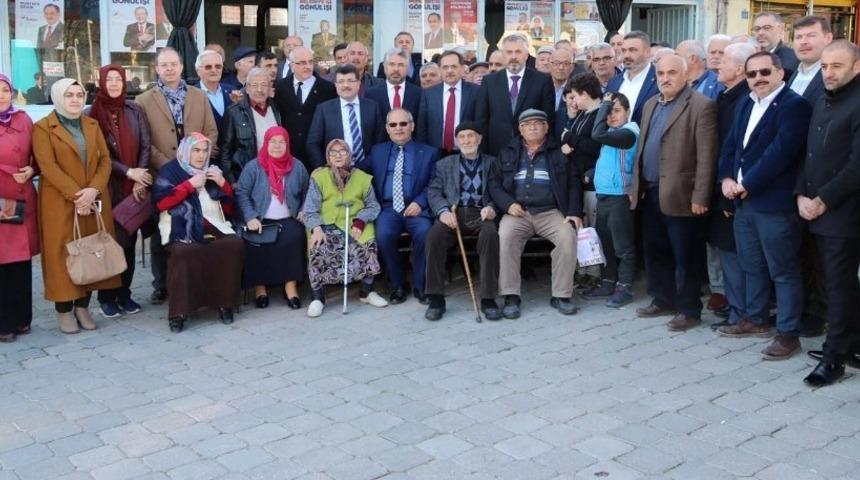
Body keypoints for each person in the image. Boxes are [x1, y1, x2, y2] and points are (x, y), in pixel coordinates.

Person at [718, 51, 811, 359]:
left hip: (774, 204)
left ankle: (787, 334)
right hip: (743, 202)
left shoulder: (794, 106)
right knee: (752, 265)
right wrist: (726, 178)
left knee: (782, 270)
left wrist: (748, 183)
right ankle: (756, 319)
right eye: (751, 74)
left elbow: (781, 152)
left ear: (780, 73)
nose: (757, 78)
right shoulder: (746, 102)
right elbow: (731, 145)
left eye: (764, 72)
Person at [630, 54, 718, 332]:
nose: (665, 78)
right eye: (660, 74)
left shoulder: (701, 106)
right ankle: (663, 298)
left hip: (683, 194)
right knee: (655, 251)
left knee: (686, 256)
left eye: (671, 73)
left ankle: (689, 309)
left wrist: (701, 197)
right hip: (651, 191)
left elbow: (707, 156)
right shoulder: (650, 104)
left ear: (685, 75)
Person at [33, 78, 120, 334]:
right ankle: (64, 310)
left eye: (79, 94)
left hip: (93, 199)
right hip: (60, 201)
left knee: (91, 250)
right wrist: (78, 195)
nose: (75, 99)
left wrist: (93, 190)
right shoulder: (43, 128)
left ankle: (83, 305)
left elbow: (105, 160)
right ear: (58, 97)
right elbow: (47, 167)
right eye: (69, 94)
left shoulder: (91, 124)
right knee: (63, 254)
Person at [797, 41, 860, 385]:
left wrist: (823, 199)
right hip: (814, 208)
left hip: (844, 212)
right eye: (824, 66)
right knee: (839, 283)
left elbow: (856, 166)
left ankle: (834, 358)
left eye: (837, 66)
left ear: (856, 67)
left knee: (838, 285)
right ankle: (851, 343)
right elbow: (808, 154)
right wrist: (799, 195)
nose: (829, 73)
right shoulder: (822, 99)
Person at [136, 47, 218, 304]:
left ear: (182, 67)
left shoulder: (198, 96)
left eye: (174, 64)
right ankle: (161, 284)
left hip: (199, 172)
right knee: (163, 230)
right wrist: (173, 166)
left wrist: (199, 160)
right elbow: (144, 142)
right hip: (164, 173)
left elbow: (211, 132)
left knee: (197, 223)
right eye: (164, 65)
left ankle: (196, 280)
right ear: (157, 69)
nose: (169, 69)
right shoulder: (143, 100)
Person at [489, 108, 581, 318]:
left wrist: (574, 212)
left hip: (550, 211)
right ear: (520, 129)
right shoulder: (508, 151)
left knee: (567, 237)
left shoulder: (558, 151)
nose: (533, 127)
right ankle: (511, 295)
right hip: (517, 212)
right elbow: (494, 184)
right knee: (506, 237)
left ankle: (561, 295)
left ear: (546, 127)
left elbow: (573, 182)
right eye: (527, 124)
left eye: (538, 123)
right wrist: (508, 204)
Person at [152, 133, 242, 332]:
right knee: (184, 251)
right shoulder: (170, 171)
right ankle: (179, 312)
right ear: (185, 151)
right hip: (180, 225)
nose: (201, 156)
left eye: (204, 151)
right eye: (196, 150)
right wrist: (188, 186)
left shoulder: (211, 171)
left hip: (212, 224)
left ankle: (224, 303)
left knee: (232, 244)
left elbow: (229, 210)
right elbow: (160, 203)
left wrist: (222, 184)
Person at [84, 65, 151, 319]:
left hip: (133, 187)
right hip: (108, 187)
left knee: (129, 241)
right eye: (108, 79)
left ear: (124, 83)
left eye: (118, 79)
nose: (113, 84)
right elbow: (100, 155)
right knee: (110, 243)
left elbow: (146, 144)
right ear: (101, 82)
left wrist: (140, 177)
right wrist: (128, 172)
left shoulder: (134, 110)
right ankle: (107, 296)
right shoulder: (92, 114)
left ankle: (125, 293)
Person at [424, 122, 501, 321]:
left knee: (491, 236)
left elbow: (500, 190)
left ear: (480, 139)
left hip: (481, 213)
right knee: (434, 237)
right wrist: (442, 211)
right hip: (453, 212)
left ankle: (488, 298)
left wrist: (492, 207)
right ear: (457, 141)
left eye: (471, 136)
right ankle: (435, 298)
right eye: (462, 137)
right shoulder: (444, 164)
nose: (467, 140)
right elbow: (433, 191)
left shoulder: (492, 163)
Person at [303, 139, 389, 317]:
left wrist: (361, 220)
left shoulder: (363, 178)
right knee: (318, 245)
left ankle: (367, 291)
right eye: (333, 152)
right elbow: (310, 209)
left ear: (349, 154)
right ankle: (318, 297)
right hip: (326, 223)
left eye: (342, 151)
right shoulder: (319, 177)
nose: (337, 155)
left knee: (368, 241)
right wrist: (316, 227)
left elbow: (373, 206)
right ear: (327, 156)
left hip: (355, 222)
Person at [361, 108, 439, 304]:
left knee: (425, 234)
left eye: (403, 124)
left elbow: (434, 183)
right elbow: (357, 172)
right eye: (393, 125)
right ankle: (398, 284)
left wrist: (420, 202)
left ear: (412, 126)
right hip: (388, 208)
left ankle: (421, 286)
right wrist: (333, 167)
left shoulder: (429, 152)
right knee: (383, 236)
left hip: (416, 208)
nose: (398, 128)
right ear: (387, 129)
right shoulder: (378, 151)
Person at [708, 41, 756, 331]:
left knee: (736, 255)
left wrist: (727, 195)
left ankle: (743, 313)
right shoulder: (727, 96)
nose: (717, 64)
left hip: (733, 192)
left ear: (739, 69)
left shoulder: (742, 100)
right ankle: (737, 309)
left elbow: (736, 149)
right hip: (722, 188)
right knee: (727, 252)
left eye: (723, 60)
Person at [236, 126, 308, 309]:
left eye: (281, 142)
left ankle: (290, 287)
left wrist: (302, 209)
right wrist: (251, 217)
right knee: (257, 243)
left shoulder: (297, 166)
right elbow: (242, 193)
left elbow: (308, 192)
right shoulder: (254, 166)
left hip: (289, 218)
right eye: (273, 142)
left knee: (295, 237)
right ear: (266, 144)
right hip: (261, 219)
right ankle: (260, 289)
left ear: (287, 144)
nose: (277, 146)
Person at [582, 92, 639, 307]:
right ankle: (608, 281)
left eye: (616, 111)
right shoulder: (613, 133)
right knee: (606, 242)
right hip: (604, 195)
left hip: (619, 197)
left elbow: (597, 134)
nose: (611, 116)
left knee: (622, 246)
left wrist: (604, 104)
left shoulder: (629, 133)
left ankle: (624, 287)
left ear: (627, 112)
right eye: (608, 111)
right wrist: (592, 171)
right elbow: (609, 159)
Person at [0, 74, 38, 342]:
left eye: (5, 90)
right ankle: (4, 322)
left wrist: (31, 168)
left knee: (22, 262)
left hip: (23, 198)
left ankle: (23, 318)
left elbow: (37, 152)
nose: (1, 94)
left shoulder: (23, 119)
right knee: (2, 262)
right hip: (1, 199)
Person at [475, 34, 555, 156]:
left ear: (526, 55)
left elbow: (548, 119)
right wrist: (483, 152)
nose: (513, 56)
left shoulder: (542, 81)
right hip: (496, 151)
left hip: (532, 152)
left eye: (518, 52)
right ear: (503, 55)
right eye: (509, 52)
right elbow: (482, 120)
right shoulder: (489, 82)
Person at [307, 64, 384, 170]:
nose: (345, 85)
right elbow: (313, 143)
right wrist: (325, 170)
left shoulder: (372, 107)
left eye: (350, 81)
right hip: (333, 172)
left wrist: (366, 166)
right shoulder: (324, 109)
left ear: (358, 84)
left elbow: (379, 143)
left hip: (367, 171)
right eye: (341, 81)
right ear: (335, 85)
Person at [274, 46, 337, 173]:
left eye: (310, 62)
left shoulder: (328, 89)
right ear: (291, 65)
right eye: (302, 63)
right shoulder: (280, 87)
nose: (308, 66)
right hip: (288, 155)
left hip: (318, 157)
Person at [220, 67, 283, 183]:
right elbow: (225, 150)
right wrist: (232, 181)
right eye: (254, 85)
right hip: (246, 177)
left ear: (269, 88)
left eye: (264, 85)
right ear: (247, 88)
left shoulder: (278, 109)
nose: (259, 89)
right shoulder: (234, 112)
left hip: (275, 175)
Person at [559, 74, 602, 227]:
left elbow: (596, 147)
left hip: (591, 183)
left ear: (584, 94)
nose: (574, 101)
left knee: (593, 231)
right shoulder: (583, 113)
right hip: (577, 182)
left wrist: (569, 138)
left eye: (575, 96)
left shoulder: (601, 115)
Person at [416, 50, 478, 156]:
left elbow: (480, 122)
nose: (449, 71)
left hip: (466, 151)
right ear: (440, 70)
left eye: (454, 66)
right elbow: (422, 126)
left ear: (463, 69)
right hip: (435, 152)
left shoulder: (476, 91)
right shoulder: (428, 94)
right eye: (445, 67)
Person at [606, 31, 659, 125]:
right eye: (624, 50)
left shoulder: (659, 80)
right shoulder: (613, 82)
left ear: (647, 52)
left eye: (632, 50)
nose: (626, 55)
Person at [367, 49, 422, 125]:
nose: (396, 69)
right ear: (384, 67)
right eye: (392, 64)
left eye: (401, 65)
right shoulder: (371, 94)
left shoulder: (418, 94)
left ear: (407, 68)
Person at [788, 16, 831, 103]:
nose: (803, 42)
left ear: (828, 38)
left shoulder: (837, 75)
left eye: (811, 35)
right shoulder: (793, 71)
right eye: (798, 37)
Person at [196, 49, 234, 139]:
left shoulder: (232, 91)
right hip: (204, 150)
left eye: (218, 66)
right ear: (198, 71)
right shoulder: (190, 94)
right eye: (208, 67)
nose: (214, 70)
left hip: (231, 150)